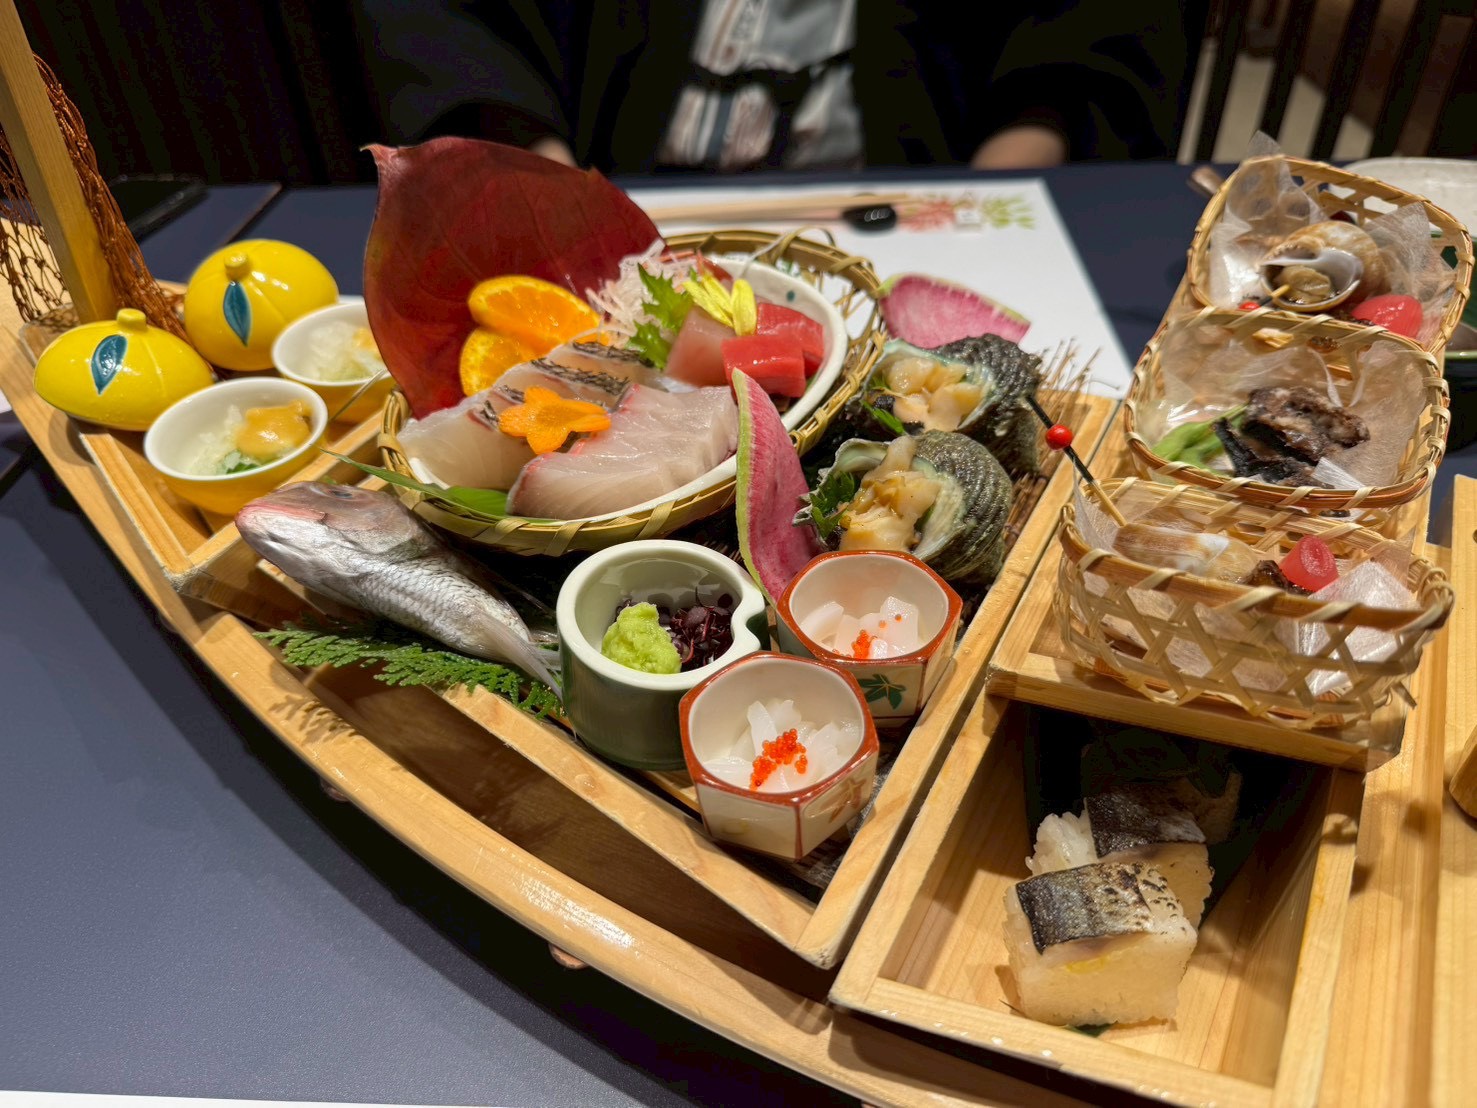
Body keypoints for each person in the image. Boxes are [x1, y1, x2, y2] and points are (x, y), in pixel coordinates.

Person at [355, 1, 1204, 173]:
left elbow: (1095, 27)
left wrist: (1008, 171)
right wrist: (546, 176)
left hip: (915, 179)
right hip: (609, 174)